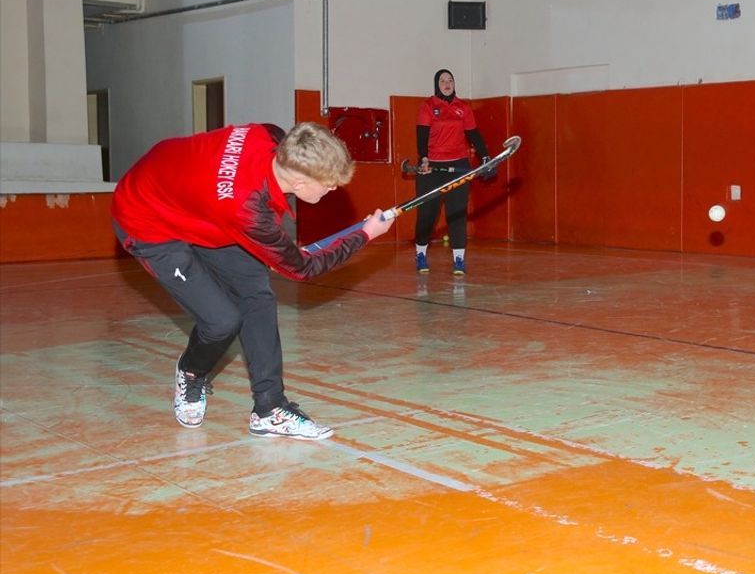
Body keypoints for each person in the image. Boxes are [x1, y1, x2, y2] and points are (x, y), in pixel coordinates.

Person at [112, 122, 395, 440]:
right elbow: (303, 269)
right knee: (222, 322)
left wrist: (278, 249)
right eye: (329, 185)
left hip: (196, 203)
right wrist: (365, 234)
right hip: (148, 219)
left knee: (256, 296)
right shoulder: (247, 210)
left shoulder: (269, 135)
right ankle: (191, 372)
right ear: (300, 182)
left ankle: (270, 409)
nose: (332, 191)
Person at [413, 68, 493, 276]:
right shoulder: (428, 106)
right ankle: (421, 253)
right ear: (436, 85)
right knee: (427, 216)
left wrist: (485, 157)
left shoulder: (463, 108)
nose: (447, 83)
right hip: (432, 167)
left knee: (457, 214)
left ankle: (459, 259)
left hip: (459, 166)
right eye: (442, 81)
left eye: (450, 80)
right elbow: (422, 135)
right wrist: (423, 158)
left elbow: (473, 134)